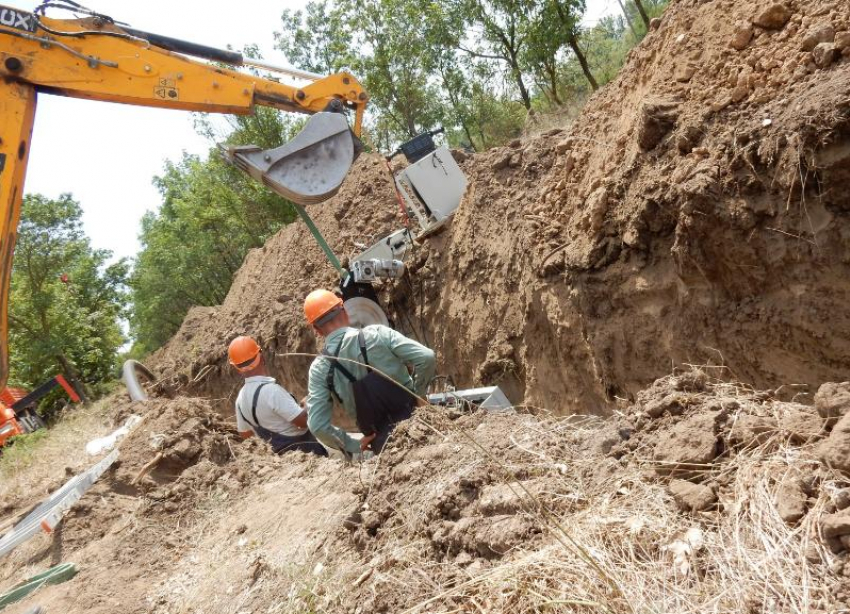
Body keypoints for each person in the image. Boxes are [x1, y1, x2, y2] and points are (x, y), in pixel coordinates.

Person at [303, 289, 436, 458]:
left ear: (317, 329)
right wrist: (418, 395)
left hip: (384, 447)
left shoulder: (319, 368)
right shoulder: (377, 333)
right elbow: (426, 357)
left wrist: (353, 444)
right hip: (419, 424)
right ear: (344, 310)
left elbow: (317, 426)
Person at [228, 335, 327, 457]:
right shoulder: (271, 391)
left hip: (279, 461)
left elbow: (246, 435)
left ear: (236, 368)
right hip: (304, 453)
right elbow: (303, 422)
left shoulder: (240, 400)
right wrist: (308, 404)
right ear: (261, 355)